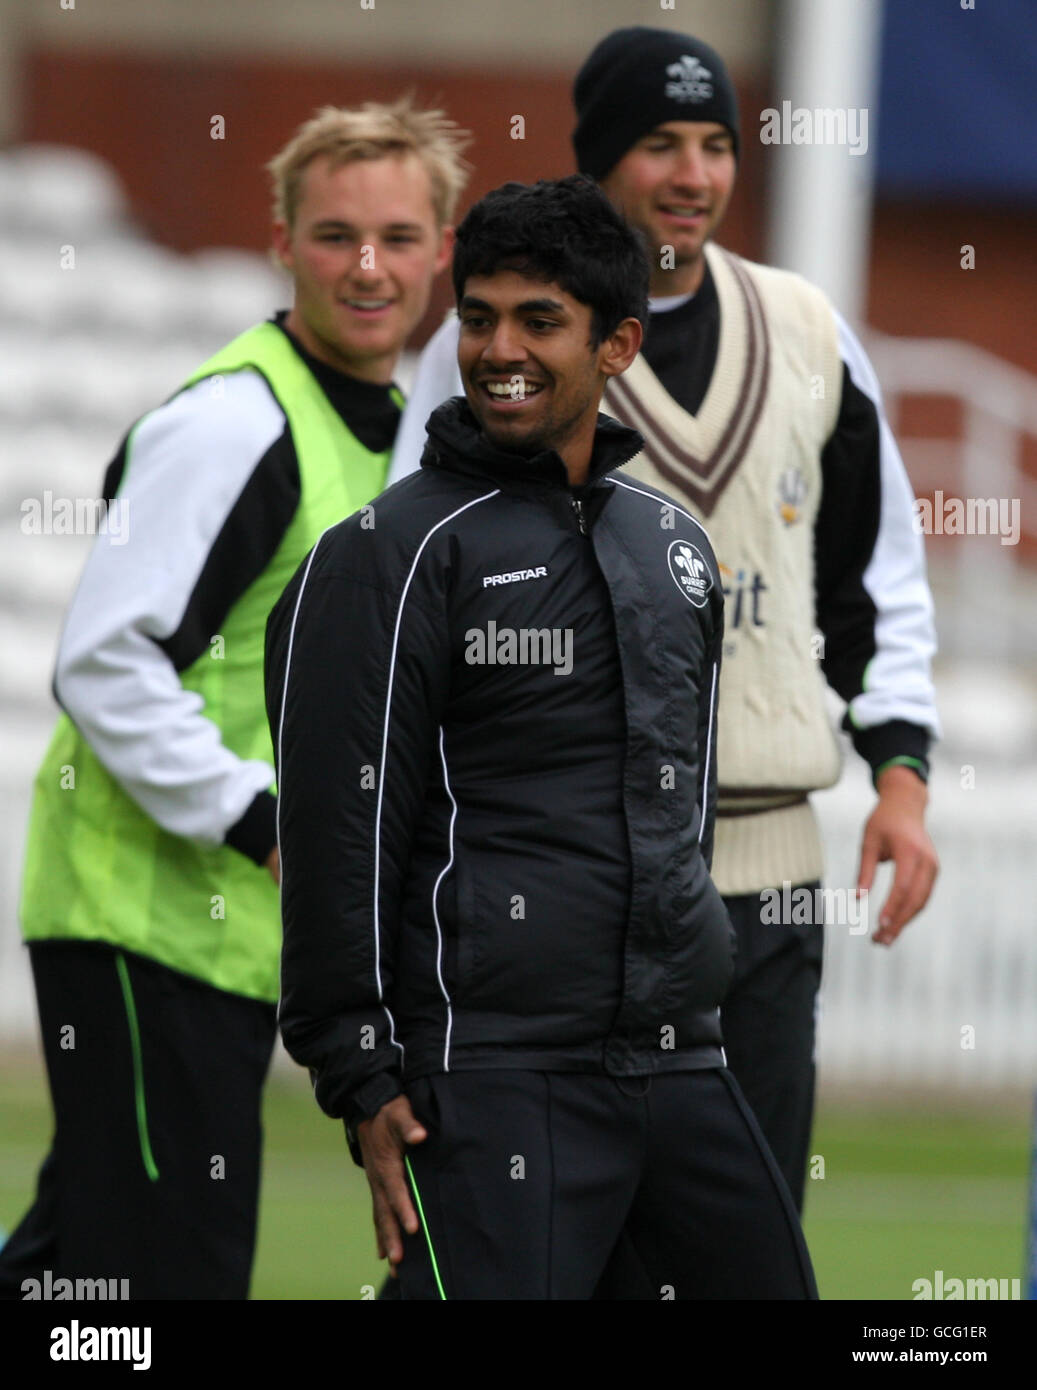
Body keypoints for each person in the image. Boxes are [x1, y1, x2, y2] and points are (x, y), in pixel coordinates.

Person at [389, 27, 941, 1212]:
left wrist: (900, 775)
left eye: (712, 144)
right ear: (597, 159)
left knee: (744, 1244)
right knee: (545, 1244)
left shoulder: (809, 333)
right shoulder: (493, 344)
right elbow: (411, 587)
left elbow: (874, 583)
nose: (692, 174)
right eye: (656, 143)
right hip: (558, 883)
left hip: (765, 875)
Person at [266, 174, 817, 1301]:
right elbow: (339, 827)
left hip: (677, 1057)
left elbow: (682, 810)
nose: (497, 348)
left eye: (537, 320)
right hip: (491, 1073)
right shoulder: (388, 550)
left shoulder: (673, 546)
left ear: (616, 345)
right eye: (476, 317)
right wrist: (359, 1070)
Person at [0, 97, 468, 1300]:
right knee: (162, 1279)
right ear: (280, 242)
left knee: (85, 1261)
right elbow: (105, 658)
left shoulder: (403, 440)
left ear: (441, 250)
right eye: (334, 235)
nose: (369, 267)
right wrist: (264, 823)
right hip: (140, 916)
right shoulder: (236, 423)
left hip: (220, 930)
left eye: (399, 237)